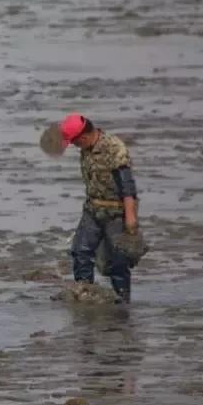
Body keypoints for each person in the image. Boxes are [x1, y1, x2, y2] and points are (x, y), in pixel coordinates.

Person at [56, 113, 139, 303]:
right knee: (80, 251)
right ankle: (84, 294)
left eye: (75, 142)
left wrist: (130, 218)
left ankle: (123, 303)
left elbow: (127, 186)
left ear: (83, 137)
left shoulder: (114, 148)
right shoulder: (86, 149)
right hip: (93, 209)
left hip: (117, 212)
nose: (74, 146)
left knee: (118, 262)